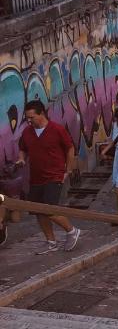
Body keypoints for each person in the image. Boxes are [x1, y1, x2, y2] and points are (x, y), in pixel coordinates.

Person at [16, 99, 81, 254]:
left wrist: (68, 169)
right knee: (38, 210)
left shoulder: (56, 129)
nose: (29, 120)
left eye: (31, 117)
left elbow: (70, 148)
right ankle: (51, 242)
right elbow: (22, 148)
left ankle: (72, 231)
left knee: (49, 210)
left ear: (42, 114)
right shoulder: (27, 132)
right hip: (36, 177)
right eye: (27, 118)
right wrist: (21, 159)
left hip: (54, 175)